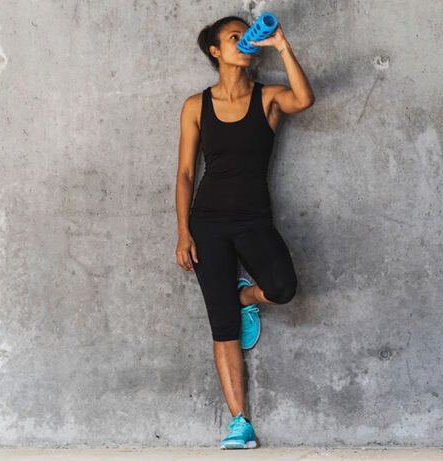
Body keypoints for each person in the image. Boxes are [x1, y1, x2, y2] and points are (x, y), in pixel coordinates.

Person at [174, 14, 314, 449]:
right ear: (216, 51)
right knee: (223, 327)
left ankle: (243, 295)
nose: (244, 40)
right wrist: (183, 231)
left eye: (246, 34)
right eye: (235, 37)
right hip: (207, 224)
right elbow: (183, 174)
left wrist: (281, 45)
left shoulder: (268, 98)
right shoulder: (196, 106)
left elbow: (305, 100)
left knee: (283, 288)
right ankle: (240, 423)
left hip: (254, 219)